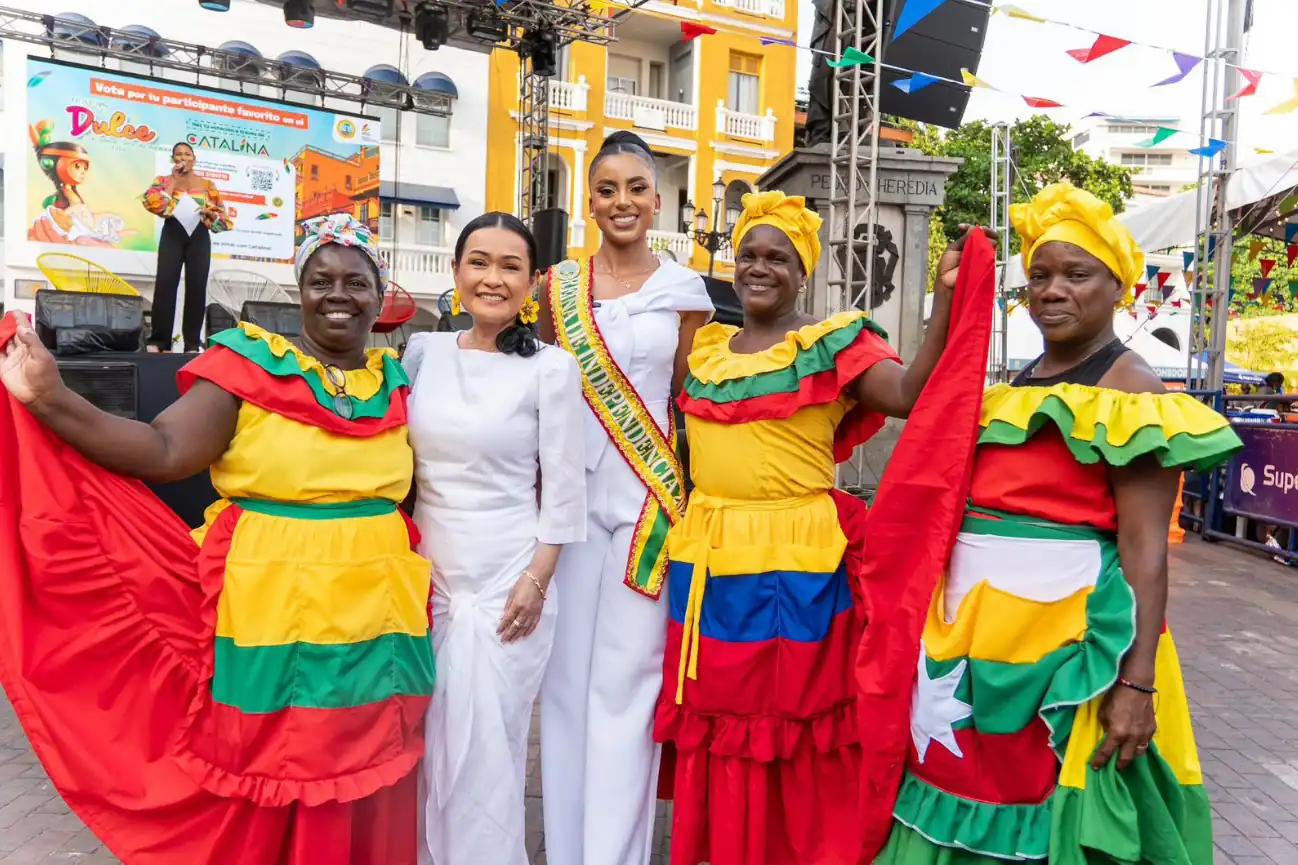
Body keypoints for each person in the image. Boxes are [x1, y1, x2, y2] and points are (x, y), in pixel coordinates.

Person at [0, 213, 433, 864]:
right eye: (320, 280)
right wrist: (53, 398)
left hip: (379, 619)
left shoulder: (397, 385)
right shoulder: (249, 367)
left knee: (366, 778)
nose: (338, 293)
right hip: (273, 612)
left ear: (379, 293)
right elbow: (164, 446)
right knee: (281, 768)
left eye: (355, 281)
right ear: (299, 289)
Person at [861, 183, 1241, 864]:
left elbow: (1146, 551)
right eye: (1040, 275)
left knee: (1049, 827)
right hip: (973, 653)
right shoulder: (1013, 386)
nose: (1053, 289)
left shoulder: (1133, 391)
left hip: (1070, 659)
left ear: (1118, 286)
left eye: (1076, 273)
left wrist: (1136, 683)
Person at [653, 189, 991, 865]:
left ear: (802, 270)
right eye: (748, 253)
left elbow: (909, 393)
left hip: (796, 567)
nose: (759, 266)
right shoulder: (704, 349)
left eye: (777, 256)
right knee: (719, 723)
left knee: (794, 724)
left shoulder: (833, 345)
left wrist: (945, 300)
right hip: (709, 564)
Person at [537, 130, 715, 865]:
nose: (622, 202)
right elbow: (544, 394)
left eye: (636, 188)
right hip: (569, 507)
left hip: (647, 506)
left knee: (626, 691)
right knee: (564, 687)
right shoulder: (556, 290)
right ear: (589, 200)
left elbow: (687, 399)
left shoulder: (686, 294)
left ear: (658, 199)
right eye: (607, 189)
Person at [406, 212, 587, 864]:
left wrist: (534, 583)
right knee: (428, 753)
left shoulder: (552, 369)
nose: (492, 277)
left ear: (533, 283)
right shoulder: (422, 354)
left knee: (489, 757)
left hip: (512, 588)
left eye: (510, 265)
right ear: (456, 273)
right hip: (429, 586)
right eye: (478, 261)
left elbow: (565, 497)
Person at [143, 142, 232, 352]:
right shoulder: (163, 180)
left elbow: (222, 218)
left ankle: (192, 343)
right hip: (173, 232)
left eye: (187, 154)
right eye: (178, 154)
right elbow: (154, 204)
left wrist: (211, 216)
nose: (183, 157)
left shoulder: (207, 184)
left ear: (194, 159)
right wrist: (173, 181)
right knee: (165, 284)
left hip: (199, 235)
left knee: (196, 287)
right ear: (174, 159)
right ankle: (159, 341)